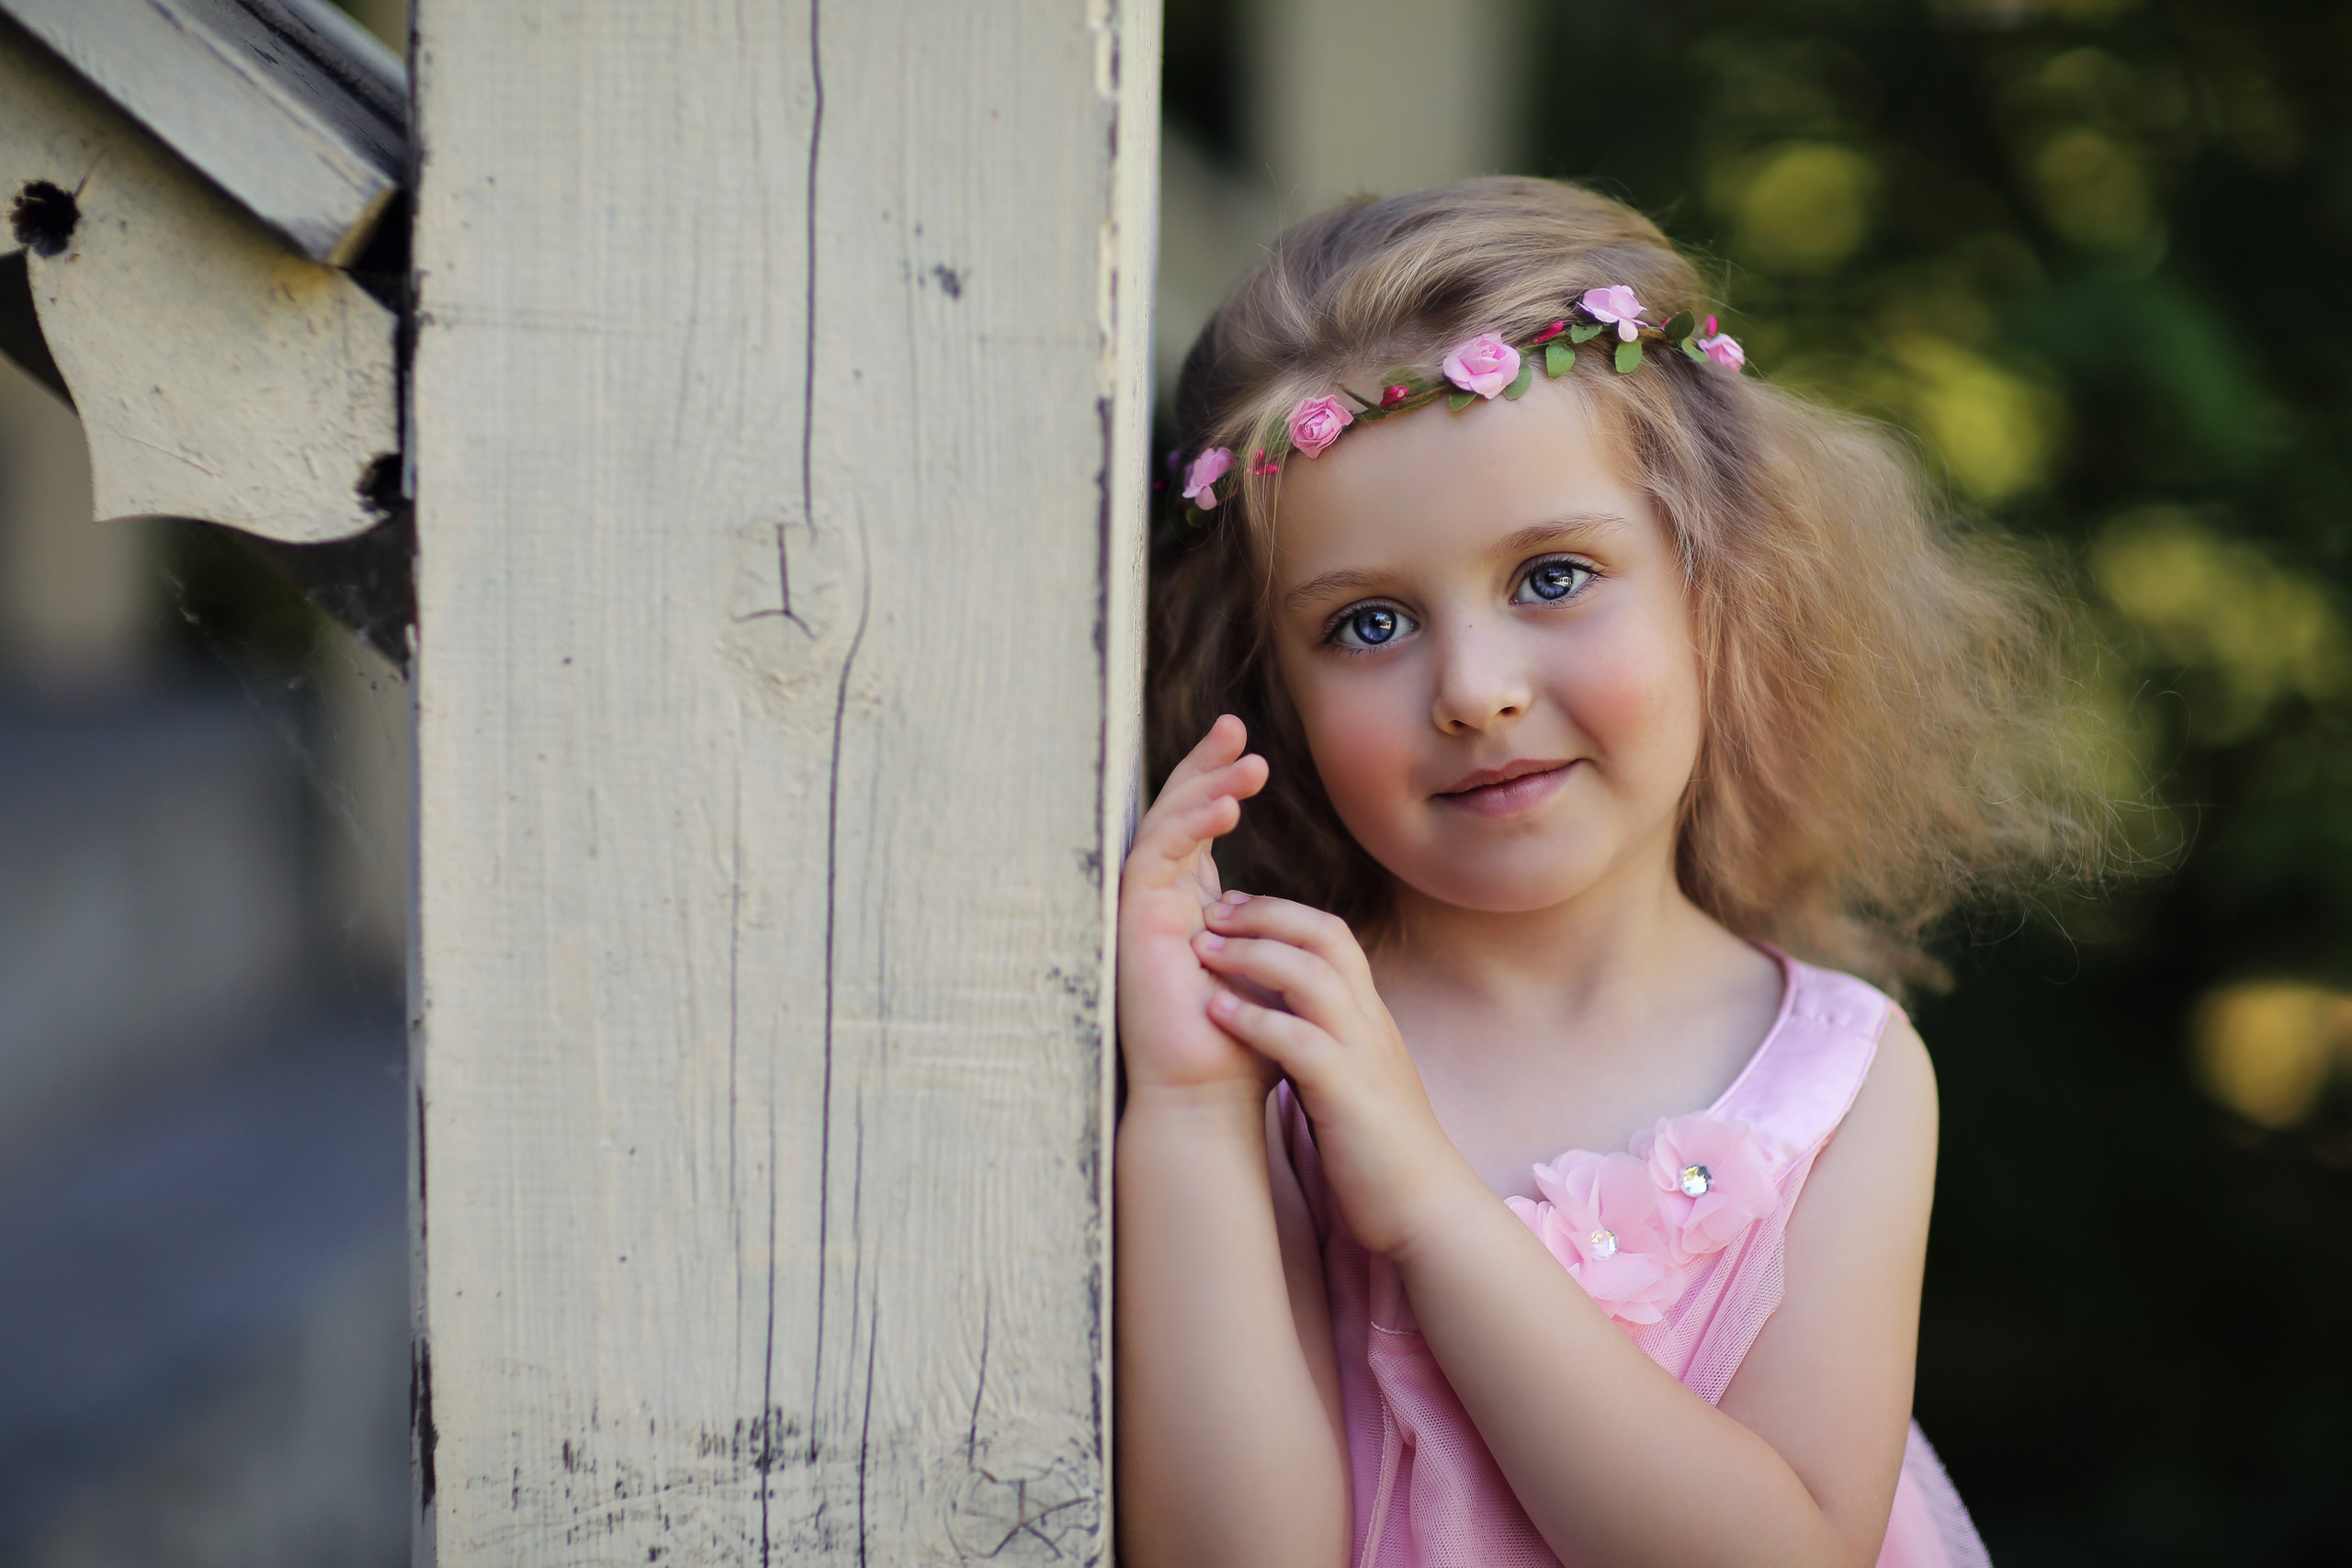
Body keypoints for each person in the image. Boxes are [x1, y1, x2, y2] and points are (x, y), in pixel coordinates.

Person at [1115, 178, 2109, 1568]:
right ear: (1272, 691)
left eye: (1553, 577)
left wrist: (1425, 1208)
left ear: (1723, 582)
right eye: (1370, 621)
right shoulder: (1270, 1054)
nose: (1474, 691)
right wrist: (1183, 1112)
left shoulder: (1836, 1081)